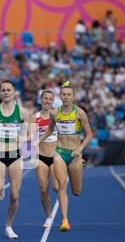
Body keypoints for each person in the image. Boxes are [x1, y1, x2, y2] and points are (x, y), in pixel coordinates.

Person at [39, 81, 92, 232]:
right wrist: (37, 141)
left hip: (75, 154)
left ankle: (80, 163)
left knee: (76, 191)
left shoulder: (80, 113)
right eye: (64, 94)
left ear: (73, 97)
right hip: (60, 152)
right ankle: (64, 220)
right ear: (60, 96)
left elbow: (89, 134)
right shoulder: (55, 113)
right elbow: (49, 130)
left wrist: (80, 148)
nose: (66, 97)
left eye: (69, 95)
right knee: (62, 185)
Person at [0, 80, 31, 239]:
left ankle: (9, 226)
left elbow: (31, 133)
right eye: (3, 90)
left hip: (15, 156)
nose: (6, 92)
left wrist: (23, 138)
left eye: (8, 90)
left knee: (15, 196)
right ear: (0, 93)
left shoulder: (23, 113)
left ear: (14, 92)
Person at [31, 90, 59, 228]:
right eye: (45, 98)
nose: (47, 101)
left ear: (53, 101)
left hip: (55, 156)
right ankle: (49, 216)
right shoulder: (34, 117)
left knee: (56, 187)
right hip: (40, 157)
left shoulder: (58, 115)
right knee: (43, 189)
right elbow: (32, 136)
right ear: (41, 100)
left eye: (50, 99)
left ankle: (63, 210)